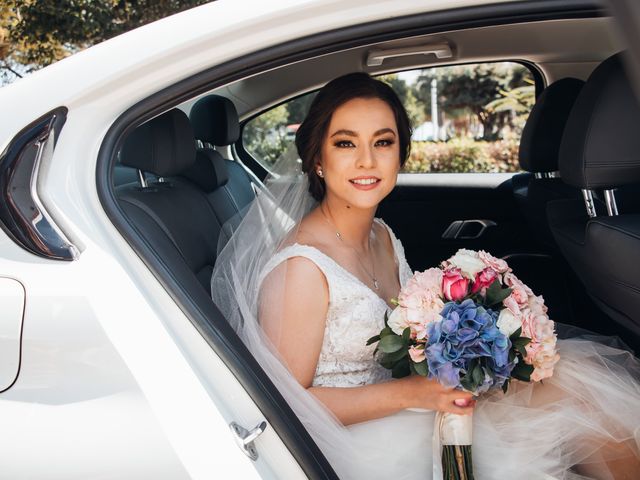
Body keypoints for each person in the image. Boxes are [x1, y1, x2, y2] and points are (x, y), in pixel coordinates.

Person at [211, 73, 640, 479]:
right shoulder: (302, 269)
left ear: (400, 153)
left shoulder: (381, 234)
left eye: (383, 142)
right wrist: (413, 394)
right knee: (564, 418)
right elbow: (284, 405)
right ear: (318, 159)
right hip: (359, 442)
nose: (366, 160)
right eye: (345, 143)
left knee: (578, 392)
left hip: (413, 403)